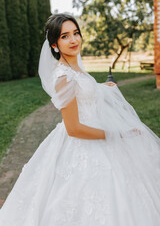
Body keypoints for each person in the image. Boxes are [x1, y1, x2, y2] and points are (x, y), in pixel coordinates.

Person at [0, 13, 160, 226]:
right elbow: (74, 128)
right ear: (55, 45)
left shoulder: (75, 69)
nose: (74, 40)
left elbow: (83, 92)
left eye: (76, 33)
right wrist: (116, 134)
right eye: (65, 36)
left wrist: (102, 88)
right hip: (81, 143)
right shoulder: (64, 77)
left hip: (95, 132)